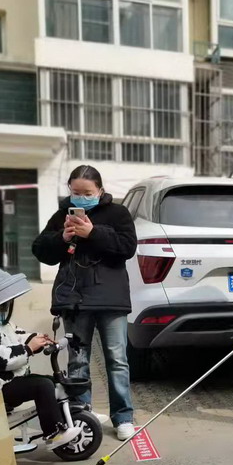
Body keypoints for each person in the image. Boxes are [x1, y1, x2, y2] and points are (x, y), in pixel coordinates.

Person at [32, 165, 137, 441]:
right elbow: (40, 250)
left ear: (100, 190)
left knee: (117, 360)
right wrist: (62, 238)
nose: (81, 197)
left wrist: (93, 233)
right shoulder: (61, 215)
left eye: (88, 193)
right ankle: (82, 413)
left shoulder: (118, 213)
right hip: (74, 299)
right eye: (76, 192)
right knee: (78, 360)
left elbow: (127, 247)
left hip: (111, 299)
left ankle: (123, 417)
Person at [0, 302, 82, 449]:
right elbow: (1, 360)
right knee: (43, 386)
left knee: (49, 381)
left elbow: (18, 336)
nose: (0, 311)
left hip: (5, 380)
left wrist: (37, 339)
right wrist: (28, 349)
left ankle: (64, 419)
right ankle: (53, 434)